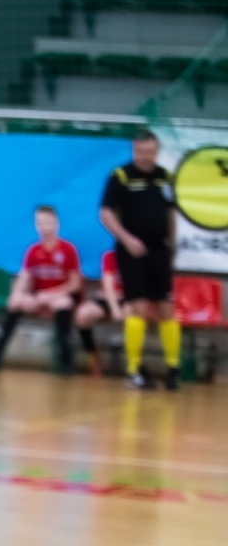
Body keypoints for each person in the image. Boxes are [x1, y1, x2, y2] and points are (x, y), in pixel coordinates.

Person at [99, 128, 180, 390]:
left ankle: (173, 368)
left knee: (166, 308)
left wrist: (172, 244)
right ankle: (134, 369)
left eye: (151, 152)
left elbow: (170, 213)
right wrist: (126, 239)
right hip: (131, 252)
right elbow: (105, 214)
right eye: (142, 152)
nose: (147, 157)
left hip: (159, 251)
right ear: (134, 150)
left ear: (157, 151)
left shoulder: (165, 177)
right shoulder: (120, 176)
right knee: (138, 307)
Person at [0, 205, 82, 373]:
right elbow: (24, 277)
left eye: (48, 223)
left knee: (63, 304)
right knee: (15, 302)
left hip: (57, 297)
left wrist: (49, 295)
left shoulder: (68, 250)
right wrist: (15, 295)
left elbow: (75, 284)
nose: (44, 227)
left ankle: (66, 361)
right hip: (37, 298)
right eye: (40, 223)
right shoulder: (33, 251)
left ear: (56, 224)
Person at [72, 249, 124, 376]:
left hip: (132, 300)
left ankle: (135, 366)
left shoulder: (140, 256)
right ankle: (93, 358)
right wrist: (113, 305)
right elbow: (108, 282)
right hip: (108, 298)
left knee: (132, 315)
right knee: (82, 315)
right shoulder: (110, 256)